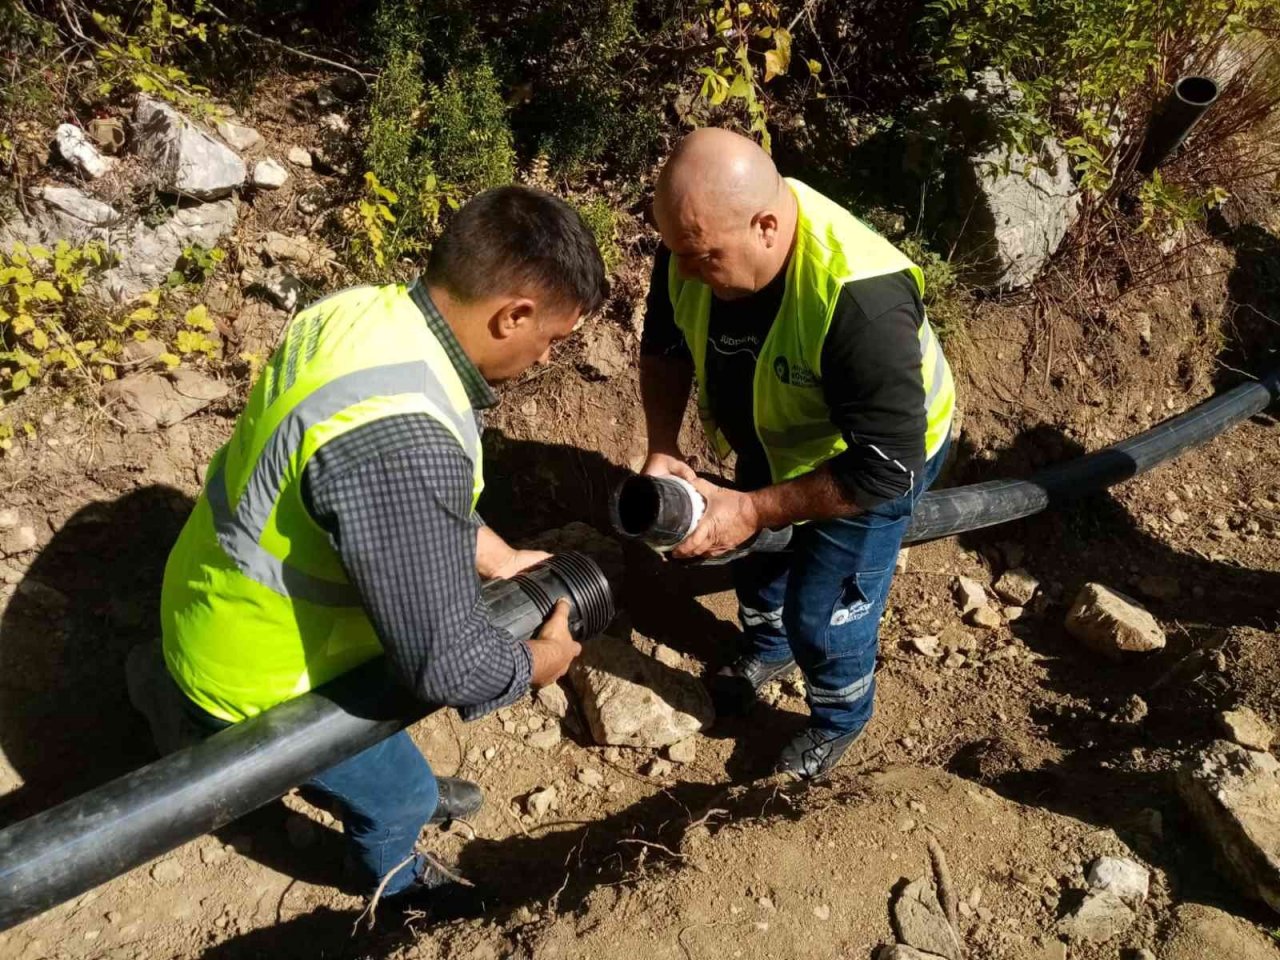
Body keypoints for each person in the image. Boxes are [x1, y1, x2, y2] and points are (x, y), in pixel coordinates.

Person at [160, 185, 606, 901]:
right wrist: (545, 659)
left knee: (394, 770)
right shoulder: (403, 439)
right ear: (514, 315)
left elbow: (383, 500)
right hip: (263, 680)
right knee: (401, 797)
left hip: (207, 600)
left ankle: (374, 786)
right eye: (551, 339)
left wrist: (498, 558)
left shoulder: (362, 315)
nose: (546, 356)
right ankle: (395, 888)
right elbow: (448, 664)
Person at [639, 128, 956, 779]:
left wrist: (755, 508)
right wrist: (663, 443)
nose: (686, 272)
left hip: (871, 462)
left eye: (703, 257)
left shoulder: (860, 299)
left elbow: (887, 466)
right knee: (756, 563)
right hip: (781, 436)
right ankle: (769, 642)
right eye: (679, 254)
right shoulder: (692, 243)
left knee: (824, 616)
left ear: (765, 226)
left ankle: (839, 716)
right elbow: (665, 344)